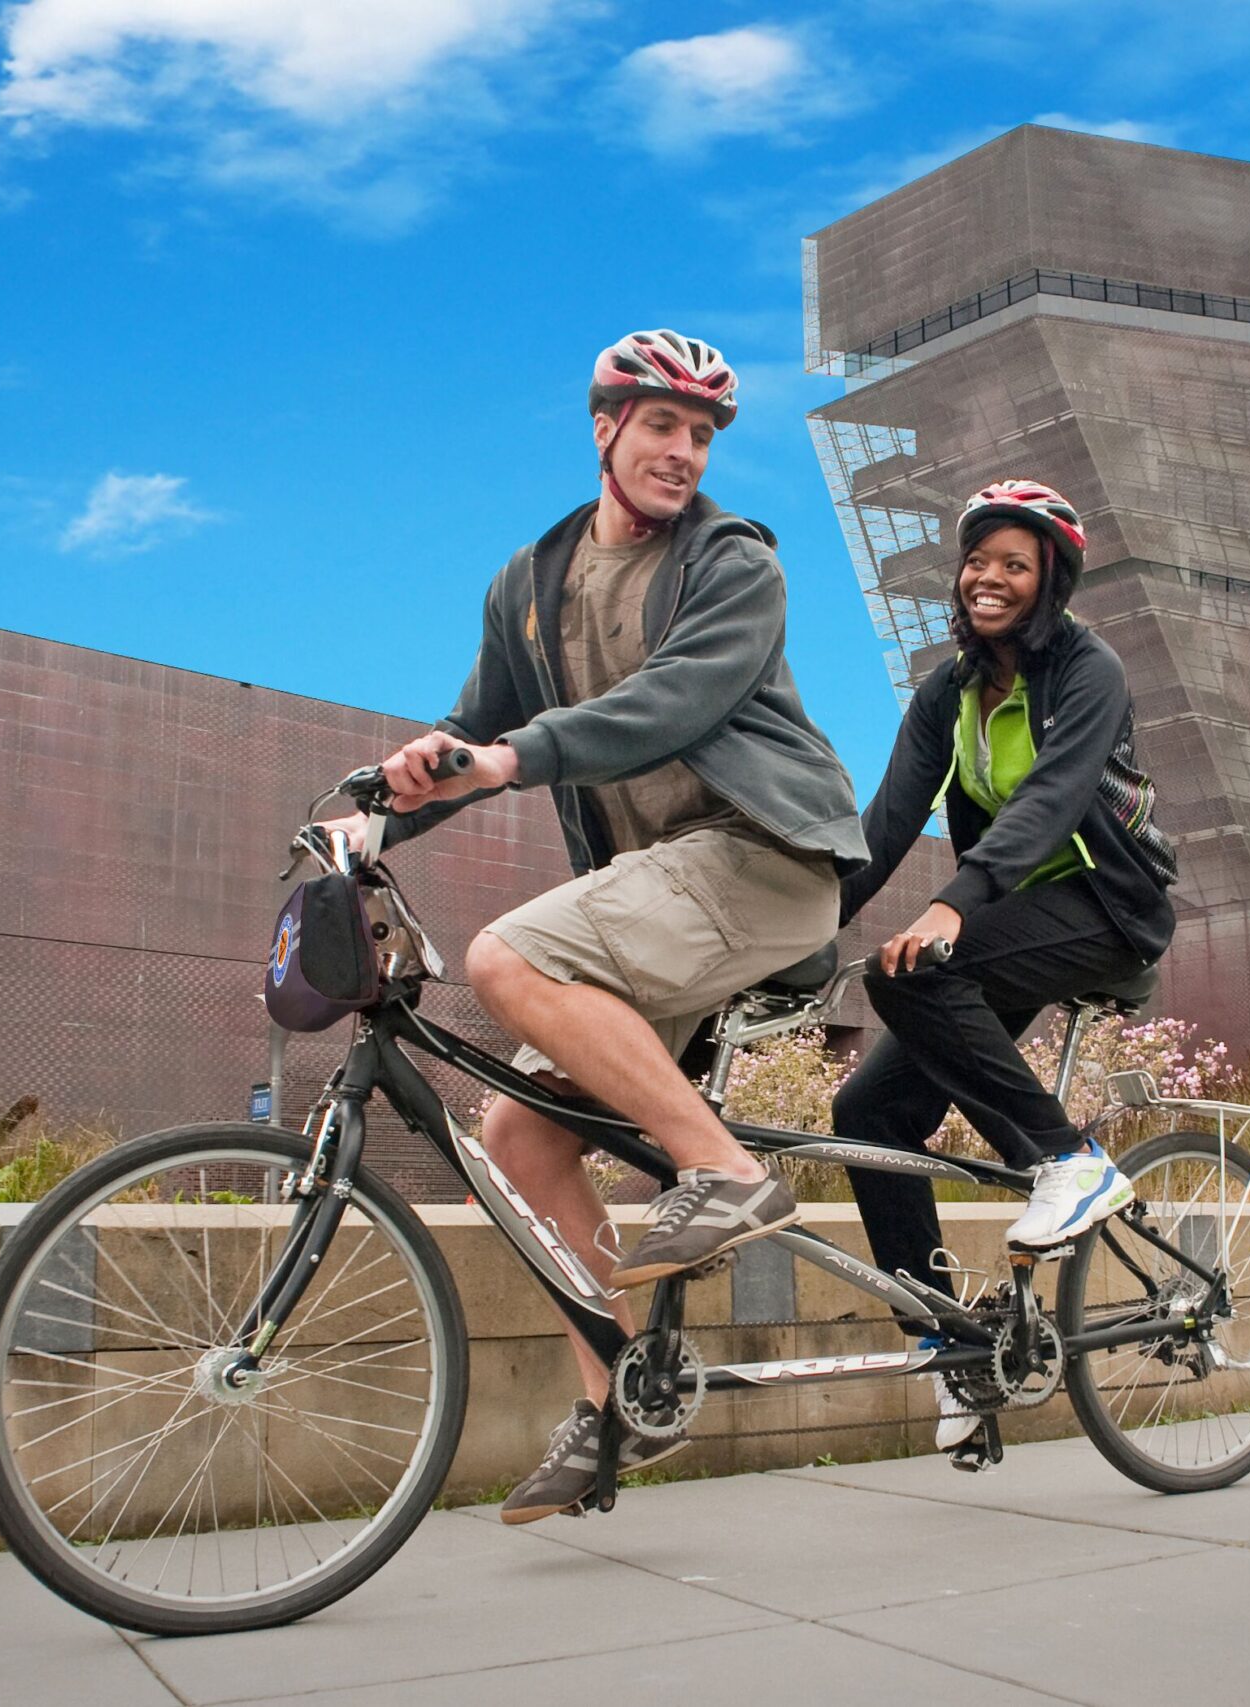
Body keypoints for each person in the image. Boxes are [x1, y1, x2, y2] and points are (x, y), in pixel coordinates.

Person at [325, 329, 867, 1521]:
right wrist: (381, 816)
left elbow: (666, 706)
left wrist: (512, 757)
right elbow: (477, 730)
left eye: (702, 433)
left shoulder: (734, 565)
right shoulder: (530, 584)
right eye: (661, 425)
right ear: (604, 427)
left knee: (509, 953)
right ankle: (618, 1403)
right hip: (661, 882)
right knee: (518, 1141)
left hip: (764, 855)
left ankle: (723, 1171)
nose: (682, 452)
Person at [830, 479, 1178, 1455]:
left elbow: (1055, 801)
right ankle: (954, 1350)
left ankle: (1067, 1162)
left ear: (1049, 581)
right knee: (866, 1117)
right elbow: (889, 822)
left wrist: (952, 904)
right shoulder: (946, 690)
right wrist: (805, 931)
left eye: (1013, 564)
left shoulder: (1087, 670)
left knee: (905, 972)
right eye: (977, 560)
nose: (988, 577)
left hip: (1108, 906)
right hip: (1018, 910)